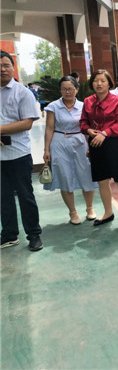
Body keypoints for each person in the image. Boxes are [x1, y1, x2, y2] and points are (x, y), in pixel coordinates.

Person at [0, 50, 43, 251]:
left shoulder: (22, 92)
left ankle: (33, 234)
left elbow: (27, 123)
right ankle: (9, 235)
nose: (2, 69)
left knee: (26, 196)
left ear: (13, 67)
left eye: (6, 65)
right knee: (3, 197)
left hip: (18, 154)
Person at [79, 69, 118, 227]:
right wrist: (88, 130)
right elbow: (83, 122)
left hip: (113, 143)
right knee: (102, 180)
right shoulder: (88, 101)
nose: (99, 83)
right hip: (95, 143)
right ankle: (108, 212)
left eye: (103, 80)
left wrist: (105, 133)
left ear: (109, 84)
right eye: (96, 80)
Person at [43, 76, 97, 225]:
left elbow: (88, 127)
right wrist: (46, 149)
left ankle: (90, 208)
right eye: (64, 89)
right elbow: (49, 128)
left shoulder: (84, 106)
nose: (67, 92)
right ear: (60, 90)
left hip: (80, 141)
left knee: (86, 174)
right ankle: (73, 212)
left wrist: (91, 147)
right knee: (64, 176)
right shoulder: (53, 106)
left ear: (77, 89)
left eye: (70, 89)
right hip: (59, 142)